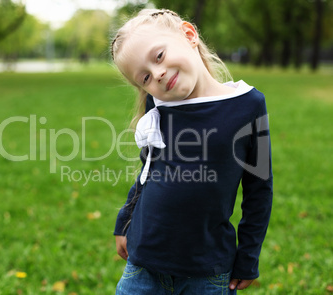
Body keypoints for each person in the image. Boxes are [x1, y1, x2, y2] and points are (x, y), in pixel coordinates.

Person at [111, 8, 273, 295]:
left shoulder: (247, 105)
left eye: (159, 56)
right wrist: (125, 221)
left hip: (207, 272)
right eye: (144, 78)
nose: (157, 74)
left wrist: (248, 256)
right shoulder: (159, 107)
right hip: (144, 264)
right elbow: (147, 172)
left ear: (189, 35)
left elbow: (258, 190)